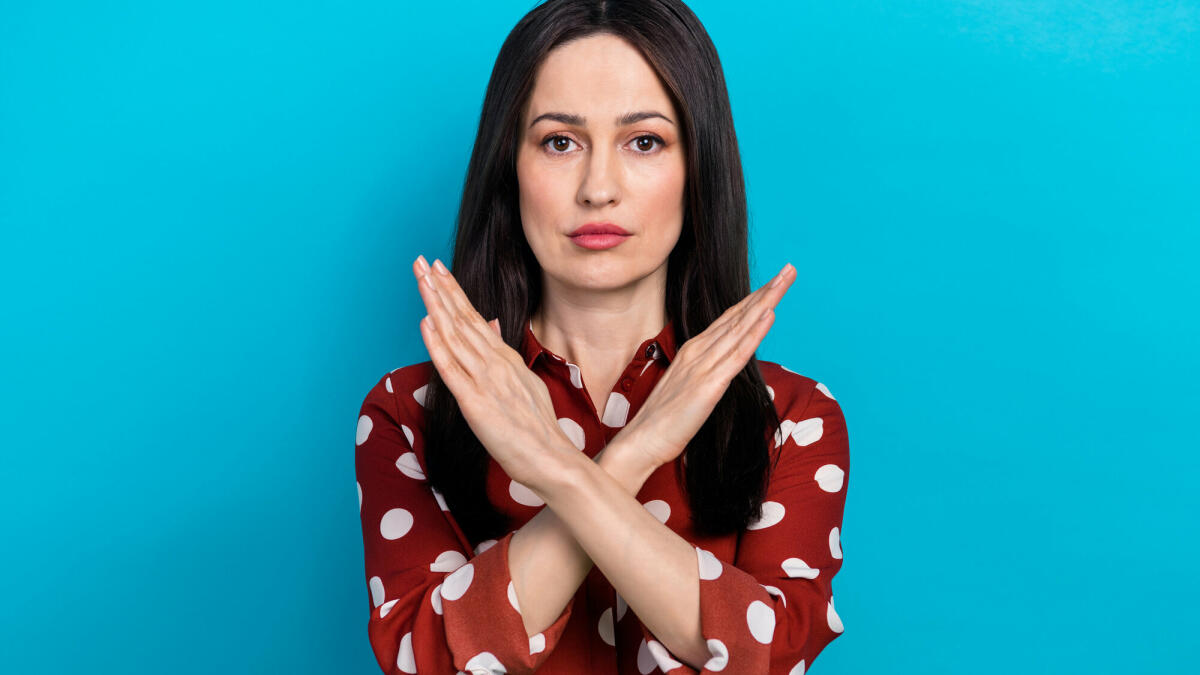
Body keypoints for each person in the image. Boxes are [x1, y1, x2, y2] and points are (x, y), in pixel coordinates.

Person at [354, 1, 850, 673]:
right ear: (510, 167)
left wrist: (559, 471)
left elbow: (764, 653)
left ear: (696, 167)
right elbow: (430, 660)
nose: (598, 188)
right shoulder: (408, 413)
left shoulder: (792, 418)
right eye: (560, 141)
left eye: (644, 141)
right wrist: (626, 460)